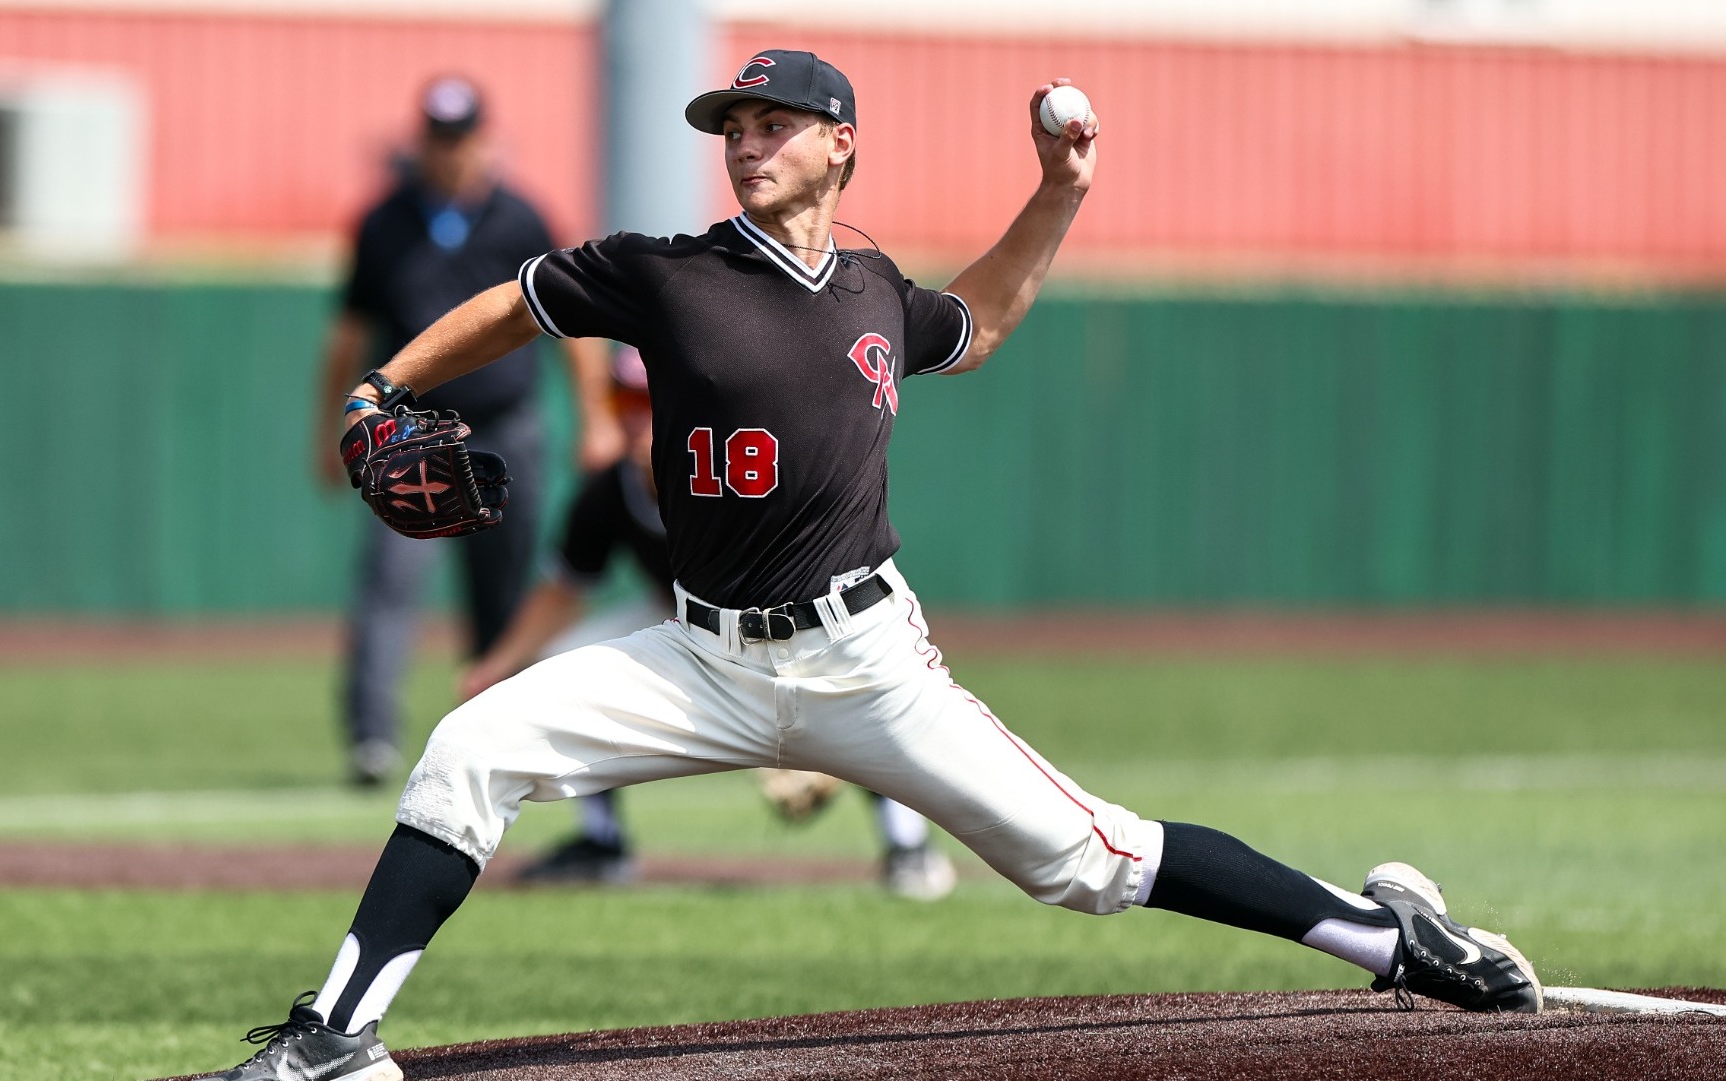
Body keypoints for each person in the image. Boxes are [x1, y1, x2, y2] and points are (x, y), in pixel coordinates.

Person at [216, 50, 1540, 1081]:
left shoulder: (875, 294)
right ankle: (336, 1036)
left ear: (841, 143)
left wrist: (1061, 191)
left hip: (864, 663)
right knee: (468, 750)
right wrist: (386, 384)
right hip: (700, 657)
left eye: (771, 123)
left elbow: (987, 319)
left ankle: (1390, 938)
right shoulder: (665, 276)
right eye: (731, 127)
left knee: (1093, 862)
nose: (743, 142)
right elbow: (516, 302)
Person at [462, 348, 957, 900]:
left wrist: (807, 728)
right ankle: (603, 844)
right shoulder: (609, 492)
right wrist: (497, 665)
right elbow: (563, 589)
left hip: (781, 611)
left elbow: (796, 568)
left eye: (646, 401)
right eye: (620, 399)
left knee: (855, 680)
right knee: (562, 663)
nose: (632, 416)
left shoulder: (732, 468)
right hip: (680, 613)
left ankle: (906, 843)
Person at [317, 75, 618, 786]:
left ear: (485, 140)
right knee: (389, 585)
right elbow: (348, 334)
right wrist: (329, 427)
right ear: (420, 141)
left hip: (505, 430)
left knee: (505, 593)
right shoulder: (384, 221)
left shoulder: (520, 219)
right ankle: (371, 739)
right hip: (408, 436)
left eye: (462, 138)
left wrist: (596, 413)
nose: (451, 153)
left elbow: (571, 324)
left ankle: (498, 730)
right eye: (439, 139)